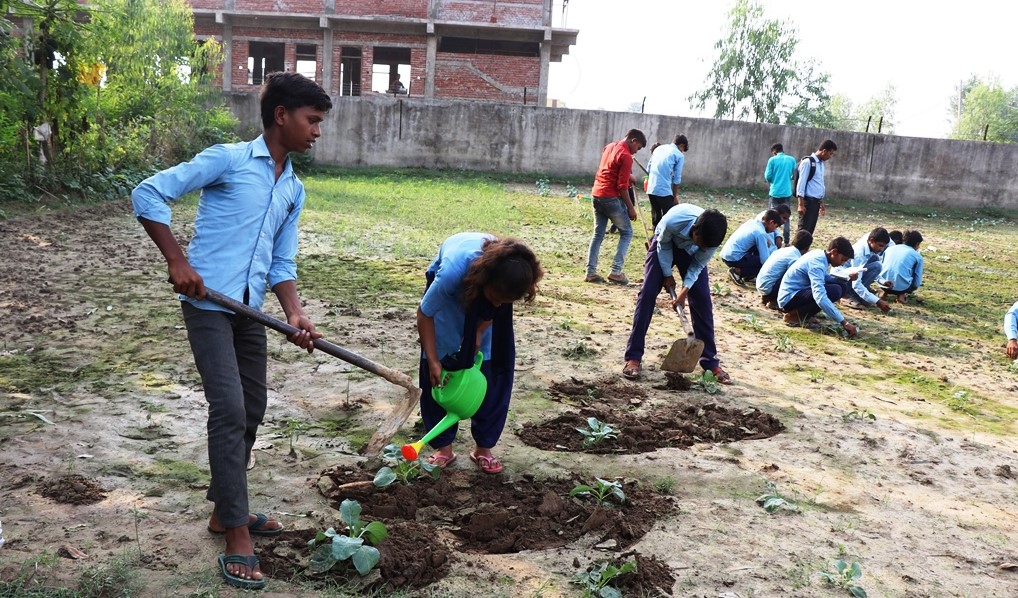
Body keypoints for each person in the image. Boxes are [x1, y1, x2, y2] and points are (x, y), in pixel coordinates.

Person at [131, 72, 332, 590]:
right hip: (207, 304)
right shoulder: (228, 160)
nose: (317, 132)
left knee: (254, 407)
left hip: (249, 310)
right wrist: (177, 259)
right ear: (281, 115)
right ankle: (236, 533)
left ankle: (225, 508)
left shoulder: (293, 188)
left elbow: (281, 260)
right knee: (229, 408)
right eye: (312, 121)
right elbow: (149, 193)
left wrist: (295, 313)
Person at [417, 233, 543, 474]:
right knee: (440, 368)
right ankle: (444, 448)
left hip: (494, 285)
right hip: (456, 289)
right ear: (486, 283)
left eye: (505, 303)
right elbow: (424, 314)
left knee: (493, 367)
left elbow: (495, 305)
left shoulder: (511, 279)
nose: (498, 306)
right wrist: (433, 360)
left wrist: (479, 330)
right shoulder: (451, 276)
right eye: (497, 300)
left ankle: (483, 448)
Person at [621, 204, 731, 383]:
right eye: (700, 242)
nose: (702, 247)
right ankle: (633, 357)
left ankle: (710, 363)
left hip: (691, 256)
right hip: (664, 244)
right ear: (695, 230)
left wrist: (684, 291)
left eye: (705, 246)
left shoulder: (711, 241)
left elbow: (697, 266)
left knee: (703, 300)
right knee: (647, 294)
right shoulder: (674, 220)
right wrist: (667, 275)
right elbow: (663, 246)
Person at [585, 129, 646, 285]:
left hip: (597, 193)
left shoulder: (610, 146)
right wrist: (631, 208)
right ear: (633, 141)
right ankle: (616, 272)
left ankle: (590, 272)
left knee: (598, 234)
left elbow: (611, 169)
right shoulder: (626, 156)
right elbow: (621, 186)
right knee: (627, 232)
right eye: (638, 148)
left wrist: (629, 177)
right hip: (611, 197)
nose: (636, 151)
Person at [777, 236, 859, 337]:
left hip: (798, 293)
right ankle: (794, 316)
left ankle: (805, 314)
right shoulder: (817, 264)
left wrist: (846, 277)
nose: (842, 264)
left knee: (842, 286)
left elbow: (825, 277)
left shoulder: (820, 254)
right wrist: (843, 322)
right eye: (843, 259)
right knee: (835, 290)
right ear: (834, 252)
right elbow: (820, 297)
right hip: (789, 298)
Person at [833, 228, 893, 312]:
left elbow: (870, 269)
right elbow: (856, 284)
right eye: (880, 245)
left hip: (851, 276)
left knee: (877, 264)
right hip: (841, 279)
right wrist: (878, 301)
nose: (881, 249)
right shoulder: (859, 254)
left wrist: (882, 281)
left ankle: (856, 295)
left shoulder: (870, 246)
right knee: (876, 265)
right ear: (871, 241)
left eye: (883, 246)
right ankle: (845, 295)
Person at [720, 209, 782, 285]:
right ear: (771, 222)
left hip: (726, 254)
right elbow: (764, 260)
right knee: (767, 264)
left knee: (759, 250)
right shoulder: (761, 234)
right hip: (734, 258)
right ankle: (738, 271)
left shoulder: (752, 223)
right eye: (775, 227)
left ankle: (750, 276)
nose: (774, 230)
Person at [756, 230, 813, 309]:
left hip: (760, 285)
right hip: (769, 289)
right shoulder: (794, 258)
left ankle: (767, 298)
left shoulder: (783, 250)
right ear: (807, 248)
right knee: (797, 279)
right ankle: (774, 300)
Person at [796, 139, 838, 234]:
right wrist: (801, 205)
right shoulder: (808, 162)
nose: (830, 157)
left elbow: (818, 184)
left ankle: (805, 249)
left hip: (816, 203)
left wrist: (821, 202)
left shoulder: (821, 164)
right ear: (824, 151)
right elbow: (801, 184)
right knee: (803, 232)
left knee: (809, 232)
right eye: (830, 154)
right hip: (808, 203)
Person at [646, 134, 688, 226]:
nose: (682, 152)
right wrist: (674, 196)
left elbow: (648, 168)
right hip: (664, 190)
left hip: (651, 189)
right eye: (683, 150)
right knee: (669, 217)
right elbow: (677, 179)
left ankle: (655, 239)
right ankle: (663, 239)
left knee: (656, 216)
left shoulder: (659, 149)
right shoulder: (679, 155)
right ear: (682, 145)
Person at [764, 143, 797, 245]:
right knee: (786, 217)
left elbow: (768, 176)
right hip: (786, 192)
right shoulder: (791, 160)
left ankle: (771, 237)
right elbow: (793, 175)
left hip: (775, 192)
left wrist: (775, 180)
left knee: (771, 216)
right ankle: (787, 241)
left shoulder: (772, 160)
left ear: (774, 151)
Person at [878, 230, 924, 303]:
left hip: (883, 283)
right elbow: (917, 280)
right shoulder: (917, 256)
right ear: (917, 244)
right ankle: (901, 296)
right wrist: (913, 288)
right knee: (910, 271)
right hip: (902, 288)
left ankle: (884, 293)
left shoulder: (890, 248)